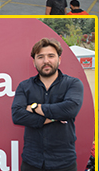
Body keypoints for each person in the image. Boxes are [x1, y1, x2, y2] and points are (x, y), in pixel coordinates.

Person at [11, 38, 83, 171]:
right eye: (40, 57)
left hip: (64, 162)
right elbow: (17, 116)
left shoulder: (73, 84)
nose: (46, 61)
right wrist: (55, 117)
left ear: (59, 59)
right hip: (31, 162)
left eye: (51, 56)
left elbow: (70, 110)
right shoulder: (24, 86)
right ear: (34, 62)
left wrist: (33, 107)